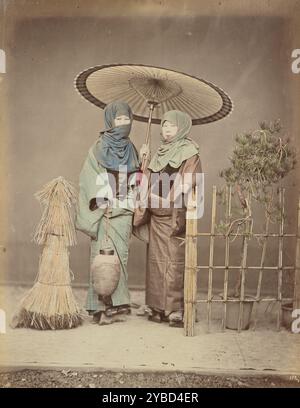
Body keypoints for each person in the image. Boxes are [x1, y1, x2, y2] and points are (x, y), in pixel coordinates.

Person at [134, 110, 202, 327]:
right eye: (164, 126)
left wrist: (167, 199)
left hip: (173, 215)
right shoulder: (160, 152)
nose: (168, 130)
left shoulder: (190, 152)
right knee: (155, 263)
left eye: (172, 126)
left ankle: (175, 310)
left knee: (173, 263)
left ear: (181, 127)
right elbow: (147, 180)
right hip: (156, 215)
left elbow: (188, 181)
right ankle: (156, 307)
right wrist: (144, 161)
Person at [76, 101, 140, 325]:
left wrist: (143, 163)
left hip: (124, 209)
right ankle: (98, 307)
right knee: (101, 258)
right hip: (105, 208)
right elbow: (89, 177)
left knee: (120, 258)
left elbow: (137, 178)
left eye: (126, 119)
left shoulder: (132, 148)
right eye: (118, 120)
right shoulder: (99, 147)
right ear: (110, 121)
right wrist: (106, 199)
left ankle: (116, 305)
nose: (123, 124)